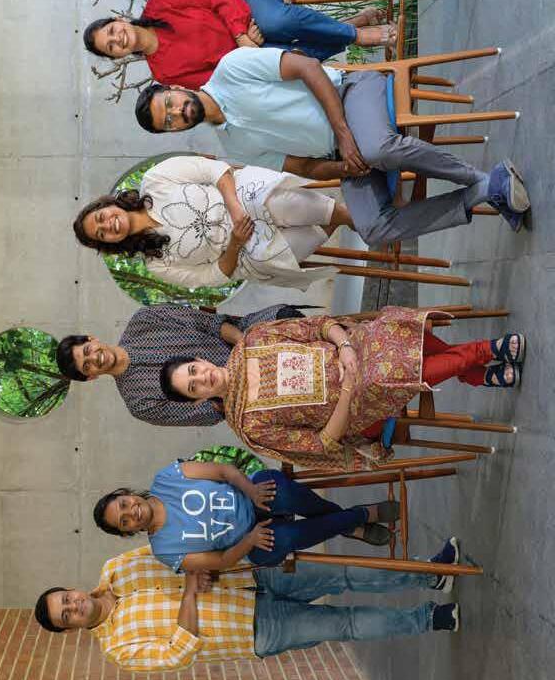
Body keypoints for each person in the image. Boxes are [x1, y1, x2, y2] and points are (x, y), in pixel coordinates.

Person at [135, 52, 531, 238]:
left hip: (351, 94)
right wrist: (344, 166)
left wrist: (343, 133)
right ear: (173, 132)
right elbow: (303, 167)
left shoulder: (230, 68)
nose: (177, 112)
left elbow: (307, 67)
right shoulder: (233, 147)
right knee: (371, 228)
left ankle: (480, 177)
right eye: (169, 121)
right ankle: (483, 191)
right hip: (341, 152)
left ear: (174, 87)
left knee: (376, 149)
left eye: (169, 104)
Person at [160, 311, 526, 469]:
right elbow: (322, 444)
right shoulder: (249, 426)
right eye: (193, 387)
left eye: (194, 370)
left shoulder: (253, 341)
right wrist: (349, 389)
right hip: (357, 404)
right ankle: (485, 351)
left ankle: (475, 374)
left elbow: (319, 326)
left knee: (393, 330)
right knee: (388, 373)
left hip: (355, 348)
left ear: (200, 359)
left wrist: (346, 345)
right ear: (198, 400)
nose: (202, 378)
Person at [33, 542, 463, 672]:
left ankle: (431, 574)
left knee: (345, 573)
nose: (74, 606)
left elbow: (174, 551)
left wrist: (202, 563)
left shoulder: (117, 567)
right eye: (66, 615)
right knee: (344, 624)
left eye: (65, 599)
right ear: (70, 629)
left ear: (70, 589)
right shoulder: (117, 649)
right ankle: (430, 619)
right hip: (254, 629)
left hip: (251, 576)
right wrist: (189, 594)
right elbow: (177, 654)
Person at [73, 155, 353, 290]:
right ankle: (345, 217)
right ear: (109, 244)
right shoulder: (155, 264)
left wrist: (235, 210)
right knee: (272, 259)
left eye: (101, 218)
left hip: (238, 198)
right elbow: (213, 277)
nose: (107, 225)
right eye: (101, 234)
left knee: (274, 204)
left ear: (107, 205)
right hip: (242, 251)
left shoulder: (155, 180)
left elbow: (213, 169)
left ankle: (348, 217)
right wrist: (235, 243)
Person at [94, 462, 401, 571]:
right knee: (289, 537)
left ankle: (351, 523)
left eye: (123, 504)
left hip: (250, 494)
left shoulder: (167, 478)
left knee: (285, 495)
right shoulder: (165, 550)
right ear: (128, 532)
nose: (131, 512)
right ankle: (360, 515)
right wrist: (250, 539)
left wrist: (251, 491)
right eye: (124, 521)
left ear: (127, 494)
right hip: (249, 542)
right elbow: (220, 561)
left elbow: (223, 471)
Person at [84, 0, 397, 88]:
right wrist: (247, 51)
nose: (118, 39)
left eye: (112, 31)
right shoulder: (164, 73)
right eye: (111, 47)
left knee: (276, 21)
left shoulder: (160, 3)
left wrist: (239, 35)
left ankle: (356, 35)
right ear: (117, 56)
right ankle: (354, 24)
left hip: (248, 8)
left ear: (119, 20)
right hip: (249, 54)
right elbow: (220, 76)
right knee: (294, 61)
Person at [54, 301, 305, 427]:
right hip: (243, 397)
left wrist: (250, 349)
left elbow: (211, 324)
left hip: (243, 339)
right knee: (292, 409)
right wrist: (241, 388)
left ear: (92, 339)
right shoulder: (139, 404)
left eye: (87, 351)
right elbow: (209, 414)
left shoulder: (145, 319)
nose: (94, 358)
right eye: (87, 366)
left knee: (286, 318)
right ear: (91, 377)